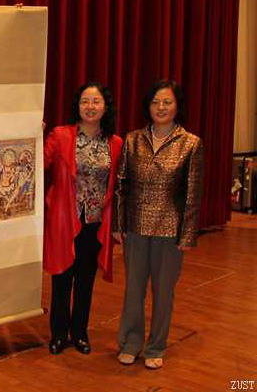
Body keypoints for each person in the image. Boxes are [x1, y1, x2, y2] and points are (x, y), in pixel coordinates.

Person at [112, 79, 204, 370]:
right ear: (148, 107)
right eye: (155, 102)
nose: (161, 107)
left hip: (170, 229)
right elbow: (121, 186)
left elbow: (192, 194)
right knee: (133, 291)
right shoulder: (132, 140)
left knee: (164, 293)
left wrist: (187, 235)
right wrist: (118, 224)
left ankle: (156, 347)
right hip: (136, 227)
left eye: (167, 102)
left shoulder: (190, 143)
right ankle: (130, 343)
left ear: (177, 106)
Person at [43, 82, 122, 356]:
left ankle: (79, 333)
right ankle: (58, 333)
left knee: (86, 280)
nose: (90, 106)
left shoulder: (115, 143)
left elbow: (119, 187)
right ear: (77, 106)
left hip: (96, 223)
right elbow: (39, 162)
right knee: (61, 278)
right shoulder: (61, 135)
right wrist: (32, 136)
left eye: (96, 101)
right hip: (64, 219)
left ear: (105, 107)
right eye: (85, 101)